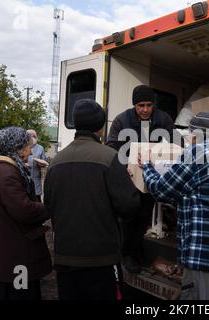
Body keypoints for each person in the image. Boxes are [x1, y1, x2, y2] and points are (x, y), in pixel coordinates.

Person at [140, 112, 209, 300]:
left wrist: (146, 165)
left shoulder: (196, 152)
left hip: (205, 255)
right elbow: (190, 195)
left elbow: (160, 190)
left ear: (195, 133)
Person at [44, 99, 140, 300]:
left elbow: (49, 206)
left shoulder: (55, 161)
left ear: (76, 124)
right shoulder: (109, 157)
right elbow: (129, 205)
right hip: (101, 260)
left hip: (66, 258)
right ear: (100, 126)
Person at [106, 85, 175, 274]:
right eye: (140, 105)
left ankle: (137, 252)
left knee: (144, 216)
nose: (145, 110)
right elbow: (111, 147)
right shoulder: (121, 120)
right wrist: (124, 167)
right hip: (128, 177)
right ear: (134, 105)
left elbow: (175, 145)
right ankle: (127, 254)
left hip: (151, 178)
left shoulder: (164, 119)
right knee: (128, 216)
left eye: (149, 105)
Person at [0, 127, 52, 300]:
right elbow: (25, 211)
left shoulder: (2, 169)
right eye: (28, 146)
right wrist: (52, 206)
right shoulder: (6, 174)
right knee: (20, 294)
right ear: (16, 148)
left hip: (12, 252)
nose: (31, 151)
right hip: (17, 253)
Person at [26, 129, 47, 202]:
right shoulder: (23, 146)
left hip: (36, 178)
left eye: (35, 136)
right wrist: (24, 164)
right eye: (33, 136)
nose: (35, 138)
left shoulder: (40, 148)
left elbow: (44, 161)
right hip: (25, 178)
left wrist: (41, 164)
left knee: (37, 200)